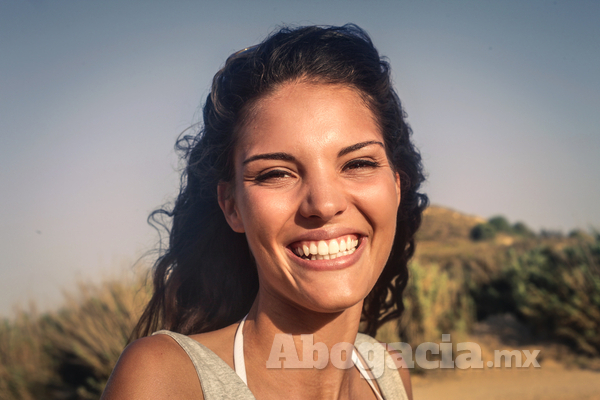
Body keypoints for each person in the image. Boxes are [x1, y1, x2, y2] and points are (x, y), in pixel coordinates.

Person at [101, 24, 427, 400]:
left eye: (357, 164)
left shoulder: (387, 373)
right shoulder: (165, 379)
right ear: (232, 206)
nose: (323, 204)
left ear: (397, 185)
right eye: (276, 173)